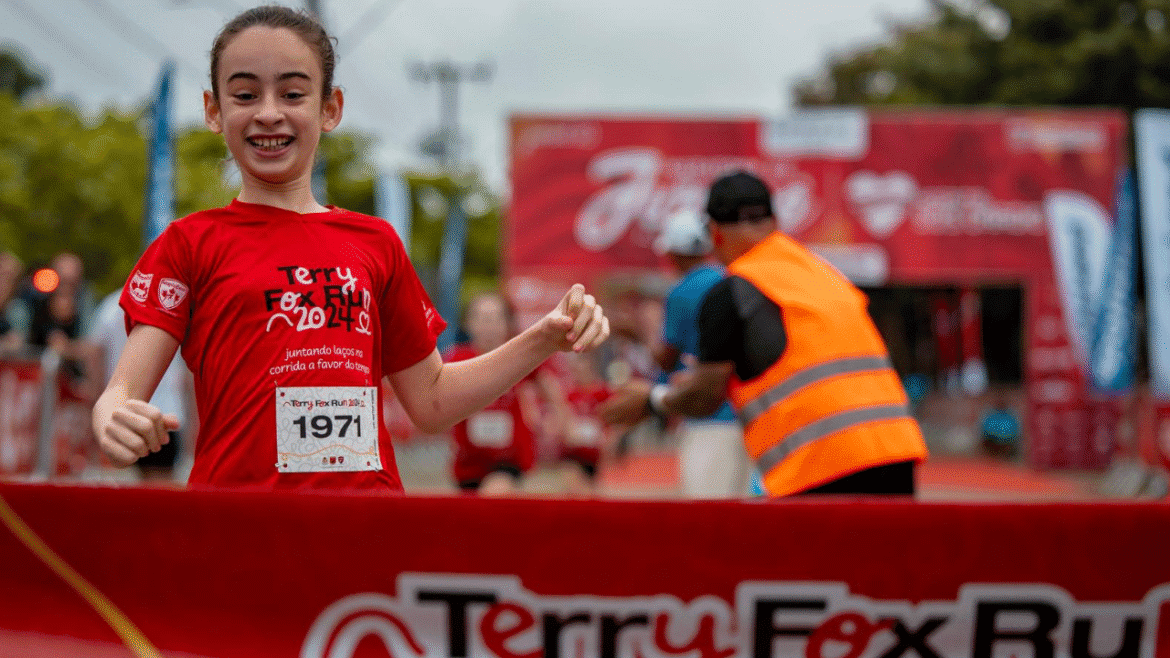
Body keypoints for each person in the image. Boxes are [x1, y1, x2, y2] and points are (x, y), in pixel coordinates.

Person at [90, 5, 609, 492]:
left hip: (364, 526)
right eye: (245, 95)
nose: (268, 114)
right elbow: (121, 391)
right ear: (213, 110)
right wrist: (114, 416)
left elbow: (430, 400)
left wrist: (543, 337)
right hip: (238, 526)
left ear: (330, 108)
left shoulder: (376, 243)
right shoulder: (188, 243)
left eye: (293, 95)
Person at [599, 171, 927, 497]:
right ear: (774, 221)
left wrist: (653, 401)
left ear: (715, 233)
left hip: (824, 464)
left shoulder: (733, 291)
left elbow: (704, 395)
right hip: (898, 452)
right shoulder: (825, 274)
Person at [652, 210, 748, 498]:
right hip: (747, 418)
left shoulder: (681, 292)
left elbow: (667, 357)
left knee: (706, 519)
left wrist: (641, 332)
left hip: (707, 418)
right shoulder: (733, 279)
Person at [445, 291, 568, 496]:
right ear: (469, 323)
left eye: (495, 319)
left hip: (508, 458)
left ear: (507, 324)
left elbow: (550, 388)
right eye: (483, 319)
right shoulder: (457, 358)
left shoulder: (518, 354)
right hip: (469, 461)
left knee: (494, 494)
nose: (489, 326)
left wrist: (559, 420)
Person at [90, 291, 194, 482]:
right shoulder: (175, 301)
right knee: (158, 489)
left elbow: (95, 352)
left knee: (121, 487)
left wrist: (97, 397)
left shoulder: (110, 305)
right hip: (161, 411)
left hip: (126, 412)